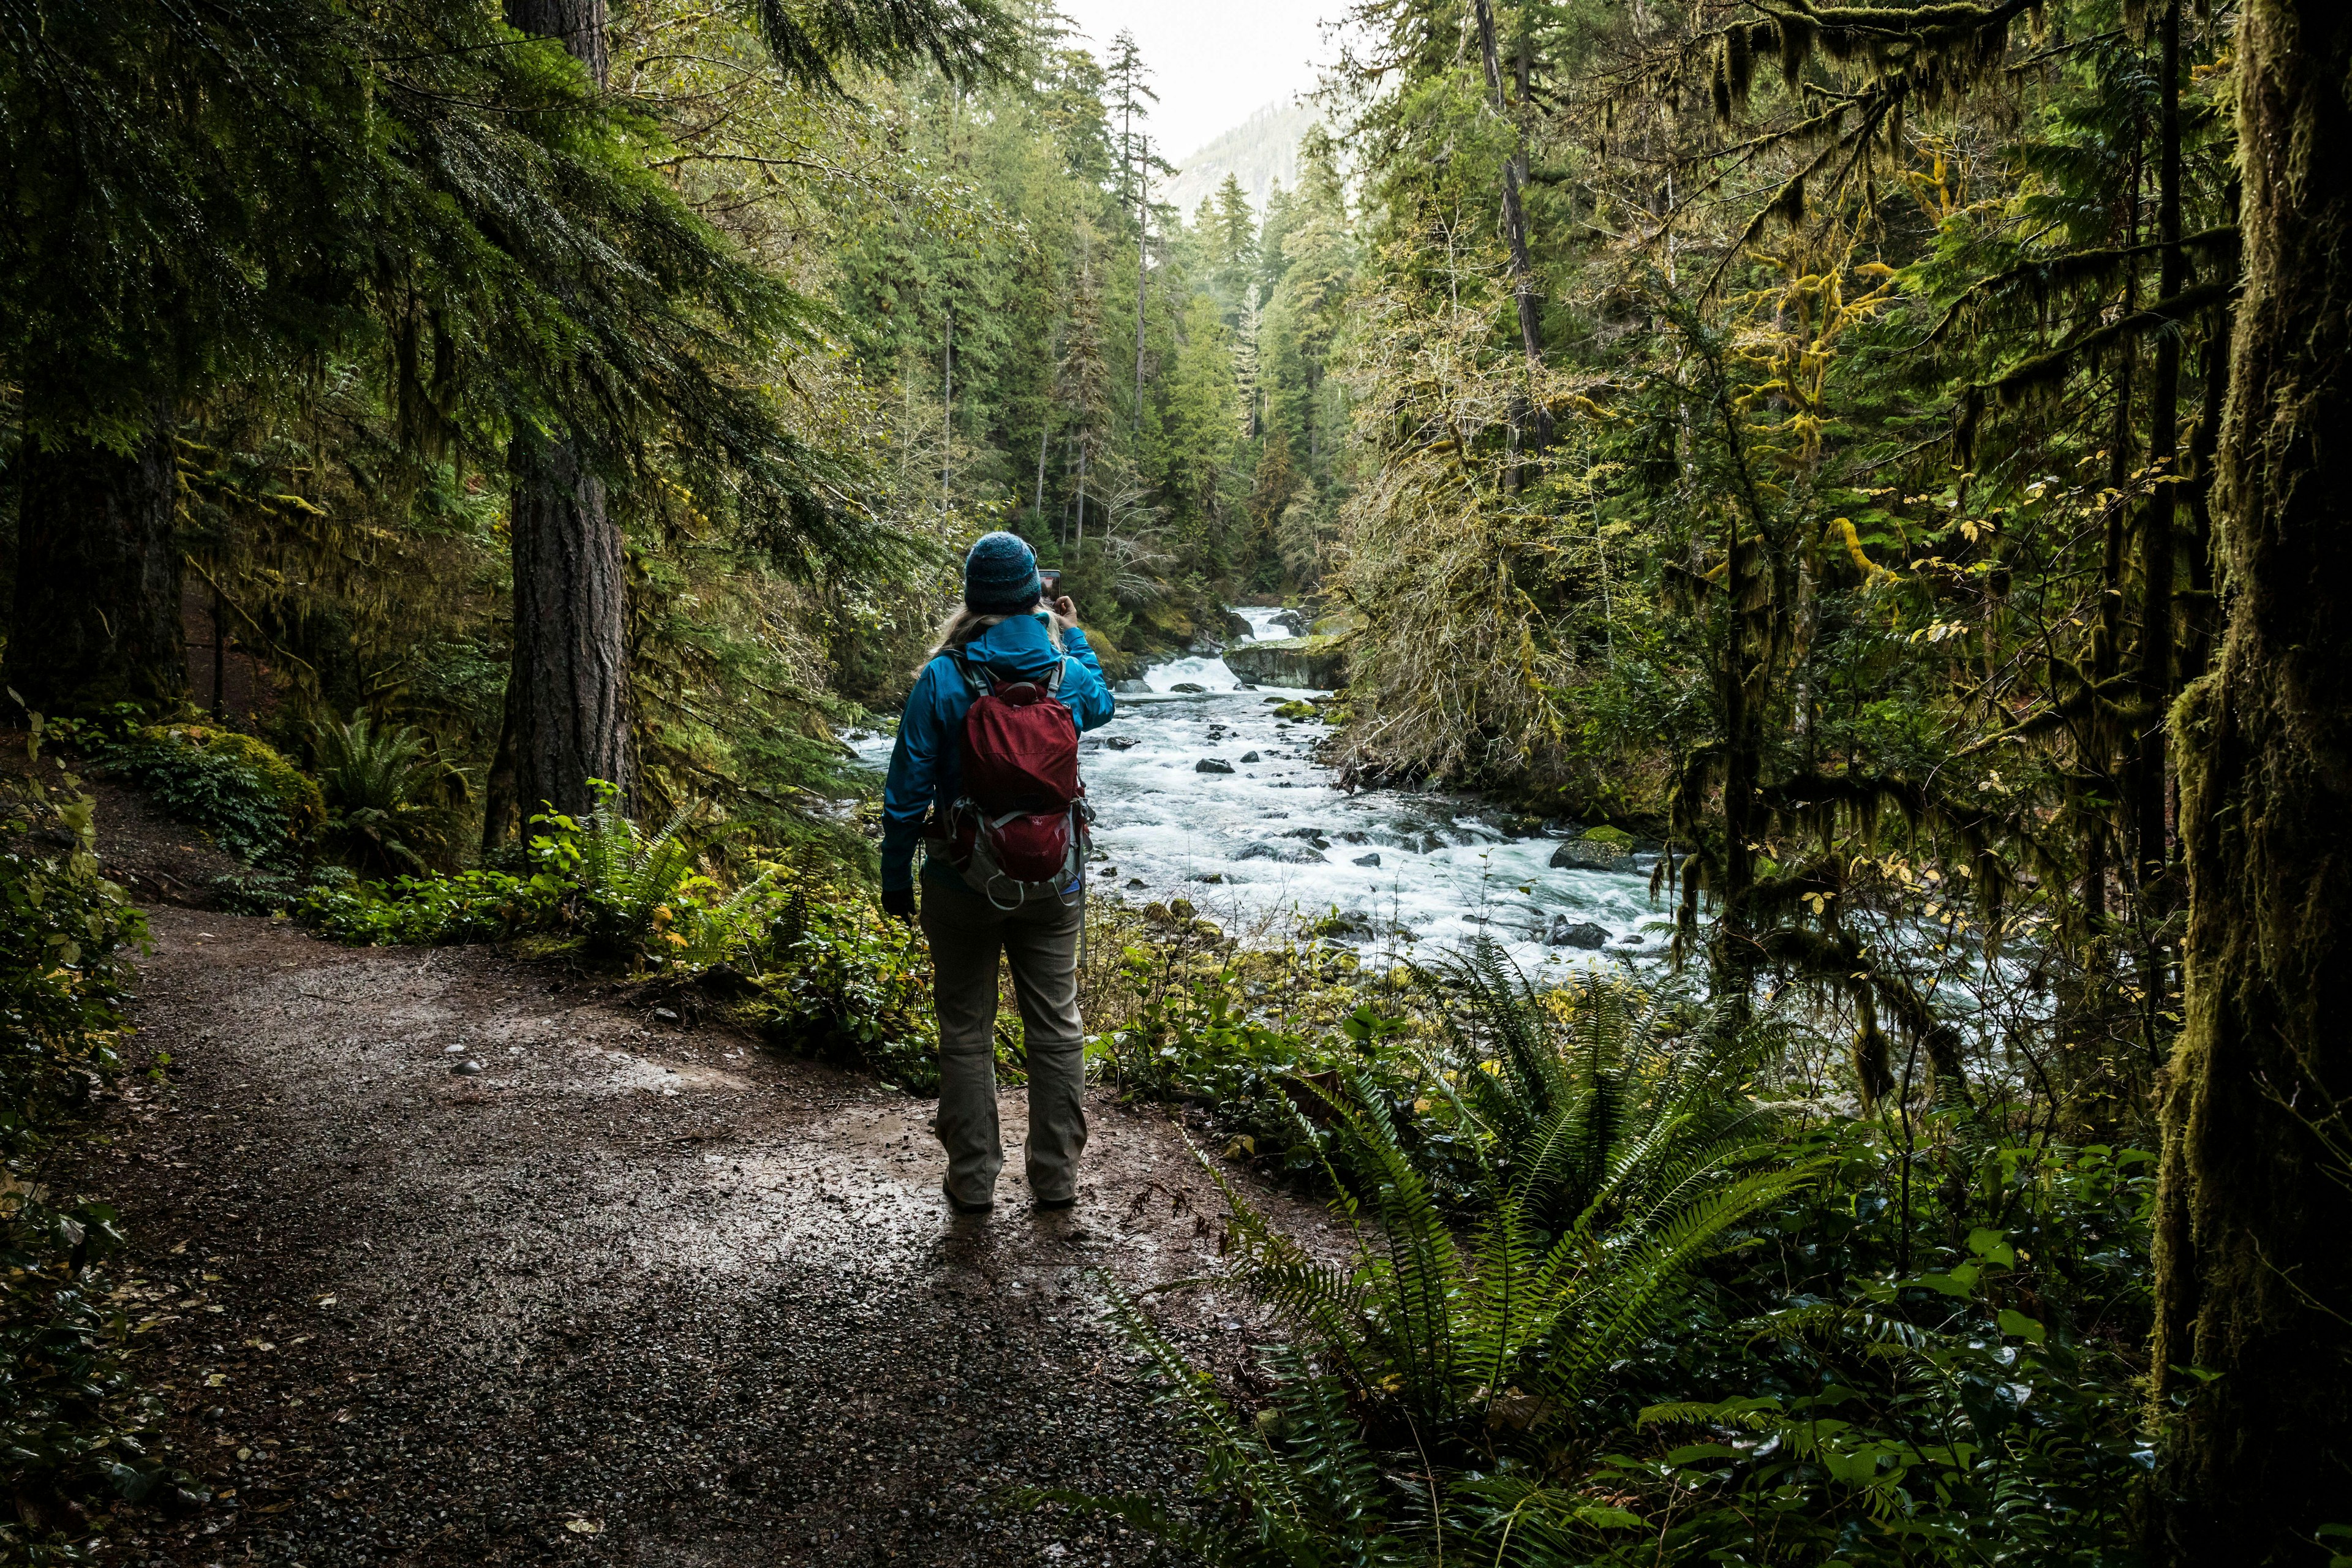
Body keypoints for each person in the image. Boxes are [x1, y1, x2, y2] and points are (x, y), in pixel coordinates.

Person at [880, 532, 1114, 1214]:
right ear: (1032, 593)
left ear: (972, 595)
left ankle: (974, 1178)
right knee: (1056, 1026)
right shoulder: (1063, 670)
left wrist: (896, 876)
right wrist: (1072, 633)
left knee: (965, 1030)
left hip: (960, 876)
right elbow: (1102, 704)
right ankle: (1056, 1179)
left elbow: (904, 794)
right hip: (1053, 878)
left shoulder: (944, 678)